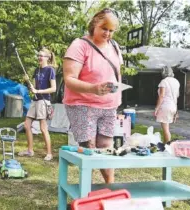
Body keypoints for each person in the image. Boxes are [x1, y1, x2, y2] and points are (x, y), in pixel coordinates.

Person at [63, 8, 123, 184]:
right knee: (89, 148)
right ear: (94, 24)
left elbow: (115, 72)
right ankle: (85, 189)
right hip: (82, 104)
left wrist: (117, 94)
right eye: (104, 28)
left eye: (112, 30)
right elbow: (69, 79)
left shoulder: (114, 46)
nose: (108, 34)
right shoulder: (79, 45)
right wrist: (93, 88)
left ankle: (110, 187)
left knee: (106, 147)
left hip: (109, 105)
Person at [18, 47, 57, 161]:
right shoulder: (37, 70)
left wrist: (38, 91)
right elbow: (33, 88)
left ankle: (49, 153)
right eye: (38, 55)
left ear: (47, 57)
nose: (39, 57)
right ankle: (30, 150)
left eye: (41, 55)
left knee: (43, 128)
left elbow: (53, 89)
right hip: (35, 101)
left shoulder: (50, 70)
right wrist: (28, 82)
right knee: (26, 125)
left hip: (43, 101)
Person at [154, 66, 180, 144]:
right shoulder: (176, 81)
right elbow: (176, 97)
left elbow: (161, 96)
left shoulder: (164, 81)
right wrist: (176, 110)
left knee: (166, 129)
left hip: (165, 106)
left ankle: (167, 146)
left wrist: (156, 108)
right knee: (167, 128)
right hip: (173, 106)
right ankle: (166, 145)